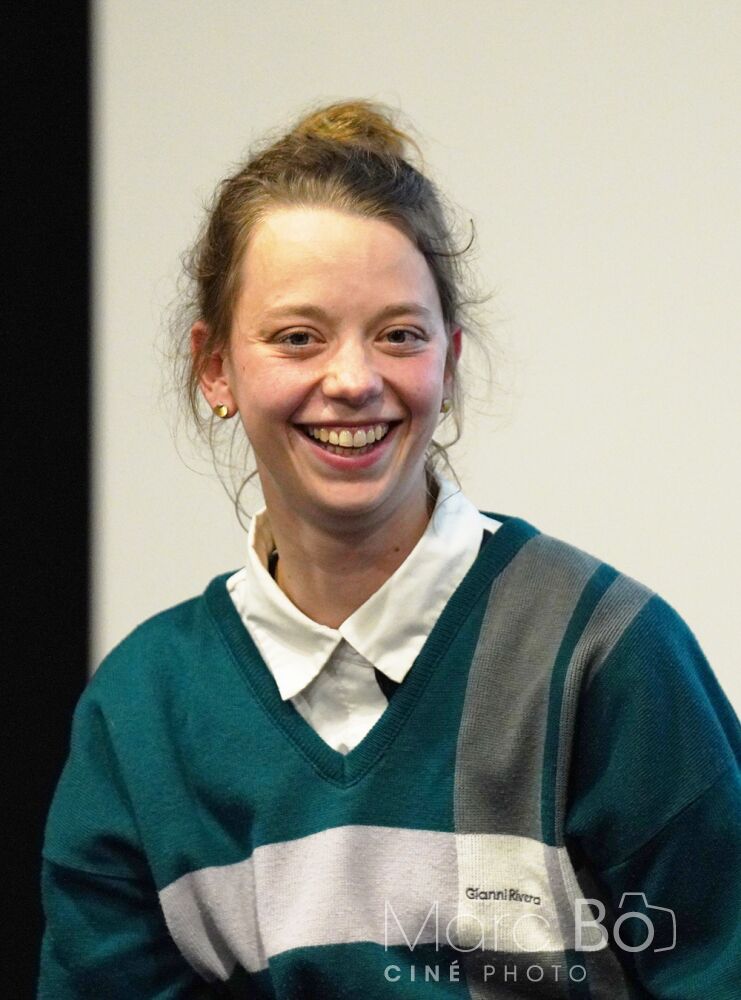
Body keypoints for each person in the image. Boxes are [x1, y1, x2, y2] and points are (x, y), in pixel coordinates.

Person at [38, 100, 740, 998]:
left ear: (448, 361)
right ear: (215, 367)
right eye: (298, 337)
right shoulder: (141, 711)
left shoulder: (602, 654)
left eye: (398, 335)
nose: (352, 380)